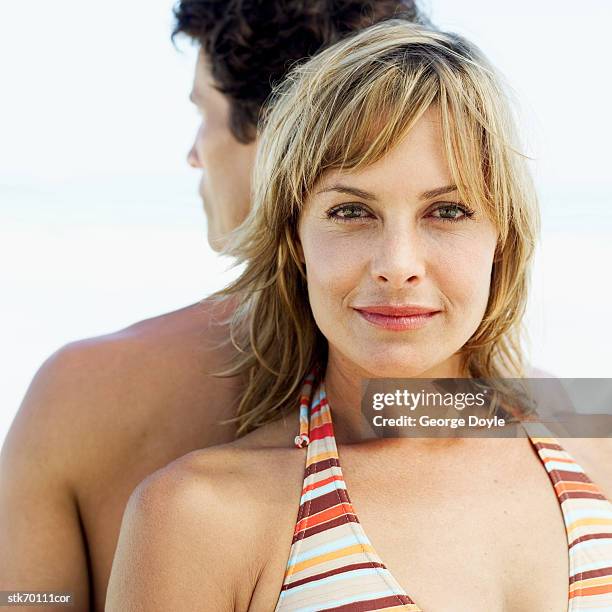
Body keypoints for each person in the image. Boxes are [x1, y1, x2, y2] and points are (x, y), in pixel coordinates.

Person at [106, 20, 612, 611]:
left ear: (502, 237)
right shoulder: (198, 516)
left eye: (447, 211)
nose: (397, 266)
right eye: (351, 212)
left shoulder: (596, 453)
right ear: (296, 241)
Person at [0, 2, 428, 609]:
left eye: (202, 111)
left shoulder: (78, 394)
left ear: (277, 128)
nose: (194, 155)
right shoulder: (530, 421)